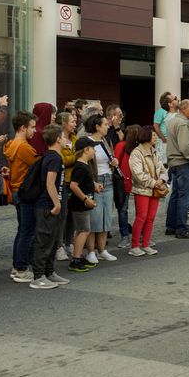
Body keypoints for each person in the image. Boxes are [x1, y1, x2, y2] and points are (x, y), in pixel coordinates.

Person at [27, 124, 70, 290]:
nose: (66, 139)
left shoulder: (54, 157)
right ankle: (38, 276)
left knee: (53, 240)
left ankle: (49, 272)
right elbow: (50, 183)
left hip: (53, 205)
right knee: (44, 241)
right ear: (58, 139)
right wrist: (57, 203)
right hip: (47, 205)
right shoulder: (54, 158)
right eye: (63, 136)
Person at [4, 111, 39, 282]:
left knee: (23, 230)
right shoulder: (24, 147)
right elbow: (37, 165)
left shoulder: (12, 144)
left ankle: (17, 265)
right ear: (23, 128)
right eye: (32, 127)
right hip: (25, 191)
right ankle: (20, 268)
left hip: (17, 189)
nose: (35, 131)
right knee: (27, 231)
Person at [81, 112, 118, 265]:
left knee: (106, 217)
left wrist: (113, 162)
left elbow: (110, 157)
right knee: (94, 217)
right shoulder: (86, 142)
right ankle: (90, 251)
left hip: (108, 178)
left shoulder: (106, 140)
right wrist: (91, 181)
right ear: (97, 127)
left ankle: (102, 250)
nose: (108, 126)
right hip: (94, 180)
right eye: (105, 124)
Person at [165, 99, 189, 239]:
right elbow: (185, 146)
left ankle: (171, 226)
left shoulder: (173, 121)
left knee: (176, 196)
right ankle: (181, 228)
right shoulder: (182, 123)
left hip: (175, 164)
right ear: (183, 109)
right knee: (184, 198)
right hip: (184, 164)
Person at [128, 127, 167, 255]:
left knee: (151, 218)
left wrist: (162, 179)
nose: (156, 137)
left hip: (154, 189)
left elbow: (162, 169)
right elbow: (138, 174)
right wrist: (155, 183)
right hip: (142, 190)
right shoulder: (136, 153)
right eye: (154, 135)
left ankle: (145, 244)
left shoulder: (154, 151)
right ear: (147, 137)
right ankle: (134, 246)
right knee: (141, 217)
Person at [66, 136, 98, 274]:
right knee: (84, 230)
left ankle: (78, 256)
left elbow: (84, 182)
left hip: (82, 204)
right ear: (86, 150)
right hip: (79, 204)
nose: (94, 152)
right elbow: (73, 186)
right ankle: (76, 259)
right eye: (93, 149)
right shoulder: (80, 167)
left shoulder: (84, 166)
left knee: (82, 230)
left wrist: (95, 186)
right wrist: (85, 199)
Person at [53, 110, 78, 262]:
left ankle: (69, 242)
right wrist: (77, 155)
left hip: (75, 180)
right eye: (72, 121)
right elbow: (62, 159)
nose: (75, 124)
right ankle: (58, 246)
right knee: (62, 215)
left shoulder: (75, 139)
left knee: (72, 216)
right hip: (64, 181)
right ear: (63, 123)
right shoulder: (58, 139)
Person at [106, 104, 132, 247]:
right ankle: (107, 230)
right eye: (119, 115)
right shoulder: (105, 130)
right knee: (110, 205)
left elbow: (124, 143)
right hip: (110, 172)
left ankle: (124, 235)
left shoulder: (118, 130)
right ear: (112, 116)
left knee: (122, 206)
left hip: (120, 174)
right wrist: (113, 127)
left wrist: (117, 128)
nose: (121, 118)